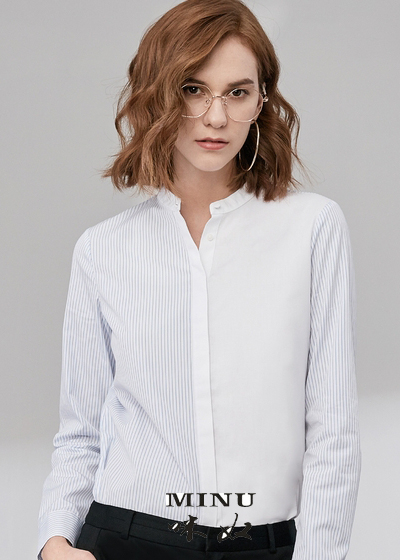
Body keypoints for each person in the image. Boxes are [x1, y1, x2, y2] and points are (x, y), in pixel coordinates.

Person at [37, 0, 362, 559]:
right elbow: (80, 433)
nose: (215, 117)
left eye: (237, 92)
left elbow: (333, 431)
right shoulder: (103, 250)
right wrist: (54, 543)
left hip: (261, 544)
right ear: (157, 94)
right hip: (126, 539)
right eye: (193, 89)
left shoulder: (312, 228)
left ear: (261, 101)